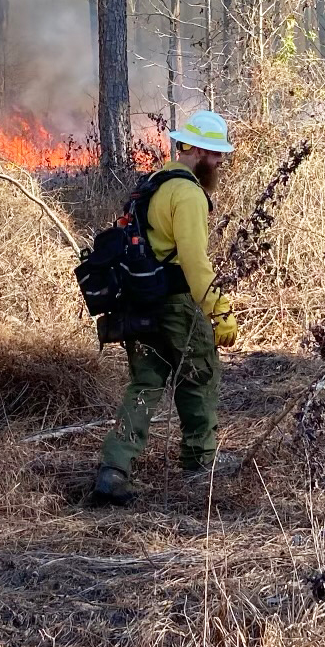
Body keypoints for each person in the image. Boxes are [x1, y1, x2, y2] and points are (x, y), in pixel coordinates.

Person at [93, 109, 240, 503]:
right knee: (200, 374)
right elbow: (194, 263)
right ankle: (200, 461)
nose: (219, 160)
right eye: (213, 152)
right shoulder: (189, 193)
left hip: (140, 304)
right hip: (175, 305)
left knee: (145, 383)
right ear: (192, 148)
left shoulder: (153, 184)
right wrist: (219, 312)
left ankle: (114, 468)